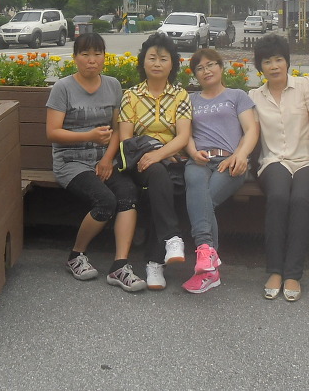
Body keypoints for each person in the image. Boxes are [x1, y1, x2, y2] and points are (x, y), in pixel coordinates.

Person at [46, 32, 146, 292]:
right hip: (70, 161)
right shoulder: (63, 88)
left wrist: (107, 159)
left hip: (103, 160)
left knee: (128, 193)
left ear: (104, 57)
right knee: (105, 201)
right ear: (75, 58)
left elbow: (118, 128)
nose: (92, 60)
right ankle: (76, 255)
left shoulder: (112, 85)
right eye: (85, 54)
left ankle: (120, 266)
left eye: (97, 54)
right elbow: (52, 132)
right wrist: (88, 136)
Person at [249, 35, 309, 302]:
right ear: (260, 67)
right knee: (278, 197)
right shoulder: (255, 96)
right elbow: (252, 134)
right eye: (267, 61)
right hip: (273, 160)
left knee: (300, 200)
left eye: (279, 59)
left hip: (306, 159)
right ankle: (275, 270)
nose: (274, 66)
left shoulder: (306, 86)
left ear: (287, 61)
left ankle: (293, 274)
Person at [118, 33, 193, 290]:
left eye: (163, 58)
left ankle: (155, 263)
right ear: (143, 62)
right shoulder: (131, 95)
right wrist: (151, 155)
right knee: (158, 175)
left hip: (169, 161)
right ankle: (171, 239)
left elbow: (183, 136)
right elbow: (126, 139)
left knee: (160, 181)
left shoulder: (180, 95)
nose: (157, 63)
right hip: (137, 163)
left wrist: (158, 154)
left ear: (172, 64)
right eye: (152, 58)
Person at [182, 48, 259, 294]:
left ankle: (207, 265)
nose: (206, 71)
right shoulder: (190, 100)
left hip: (231, 161)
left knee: (203, 199)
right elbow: (185, 134)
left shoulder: (237, 96)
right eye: (200, 68)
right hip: (199, 160)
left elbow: (251, 130)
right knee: (198, 188)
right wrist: (192, 152)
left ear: (221, 67)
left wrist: (240, 155)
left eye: (211, 65)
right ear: (195, 75)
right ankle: (208, 260)